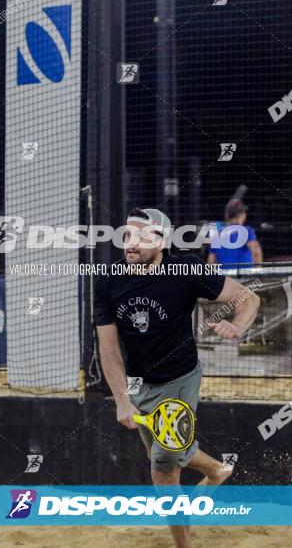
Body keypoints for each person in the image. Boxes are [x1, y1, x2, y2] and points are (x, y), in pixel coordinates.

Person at [94, 207, 260, 548]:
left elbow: (250, 298)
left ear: (163, 241)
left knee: (163, 472)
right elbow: (108, 348)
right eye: (126, 235)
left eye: (142, 236)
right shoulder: (109, 281)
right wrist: (122, 399)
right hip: (139, 384)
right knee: (163, 452)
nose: (131, 243)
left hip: (179, 378)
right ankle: (216, 469)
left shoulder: (184, 269)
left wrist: (238, 325)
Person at [206, 199, 262, 270]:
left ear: (227, 215)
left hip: (225, 278)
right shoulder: (247, 231)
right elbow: (256, 253)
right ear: (241, 214)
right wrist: (258, 271)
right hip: (246, 276)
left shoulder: (216, 234)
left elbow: (211, 261)